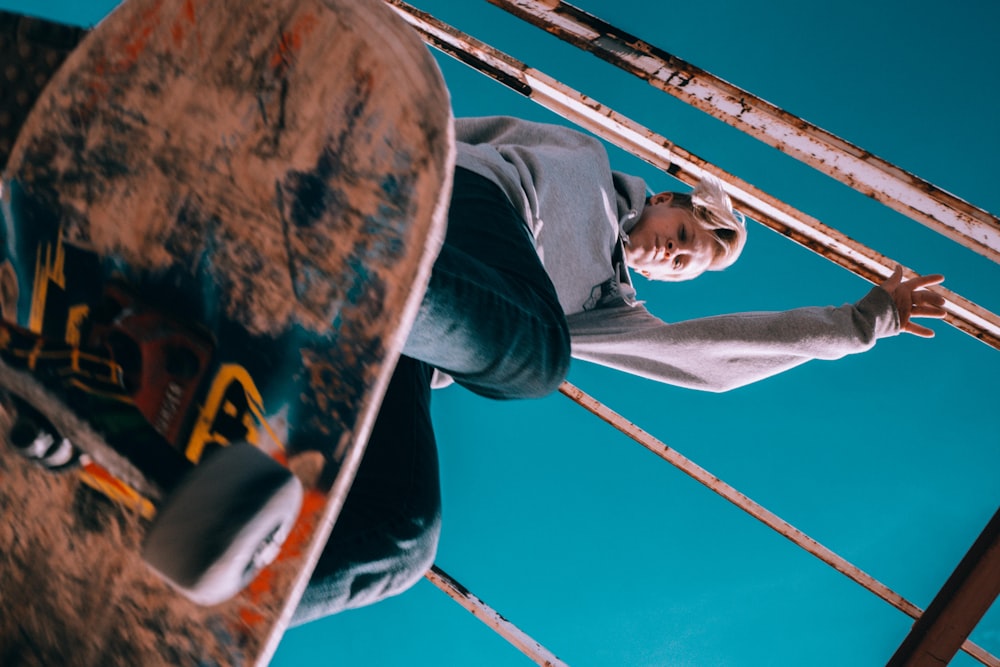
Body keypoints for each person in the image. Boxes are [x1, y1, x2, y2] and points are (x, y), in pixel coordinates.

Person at [291, 116, 946, 625]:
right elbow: (464, 136)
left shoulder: (606, 308)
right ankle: (328, 246)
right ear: (664, 200)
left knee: (402, 538)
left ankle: (214, 600)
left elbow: (704, 359)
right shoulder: (584, 160)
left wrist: (862, 322)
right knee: (540, 358)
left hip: (404, 339)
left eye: (682, 266)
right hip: (445, 207)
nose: (671, 255)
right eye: (683, 237)